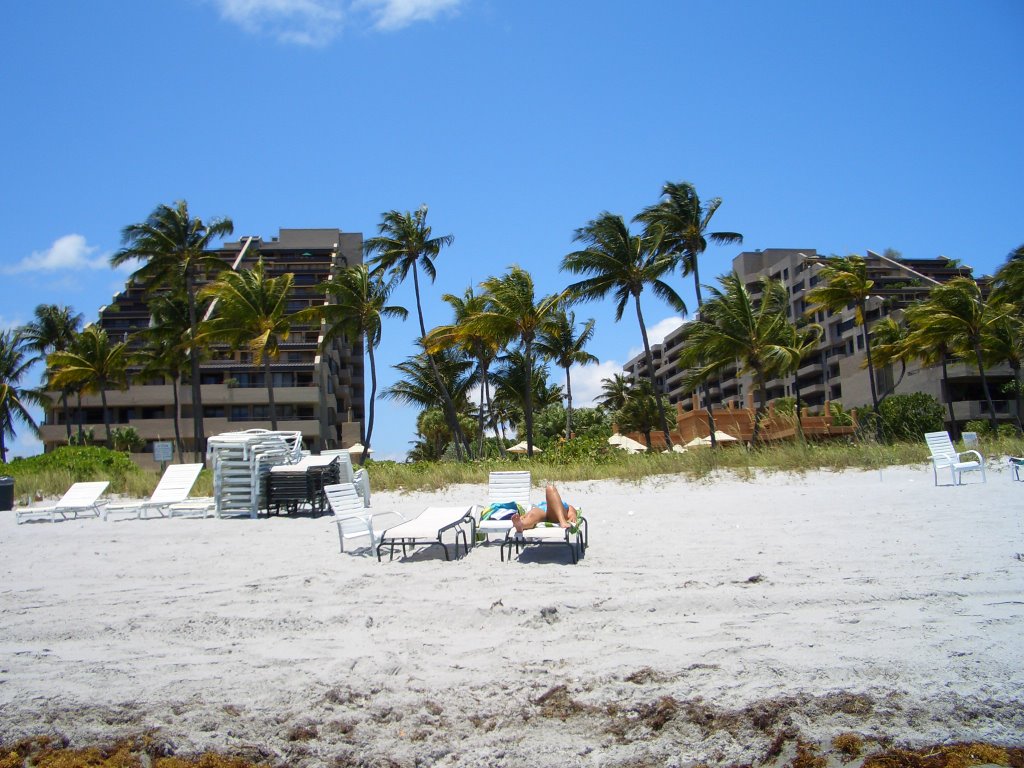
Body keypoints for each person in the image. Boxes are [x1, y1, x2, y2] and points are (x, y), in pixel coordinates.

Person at [511, 483, 578, 532]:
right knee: (533, 514)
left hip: (555, 514)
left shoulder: (562, 504)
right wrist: (525, 516)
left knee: (550, 488)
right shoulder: (543, 504)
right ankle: (521, 524)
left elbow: (571, 508)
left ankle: (562, 521)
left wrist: (573, 515)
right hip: (542, 511)